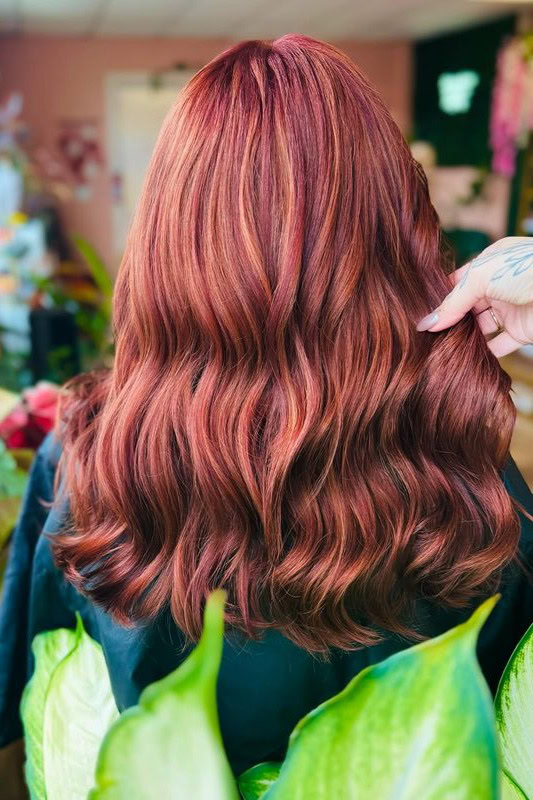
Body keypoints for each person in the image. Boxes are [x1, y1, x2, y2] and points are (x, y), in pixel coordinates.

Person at [1, 35, 533, 780]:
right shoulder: (469, 464)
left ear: (167, 237)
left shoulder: (87, 456)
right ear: (393, 223)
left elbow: (34, 713)